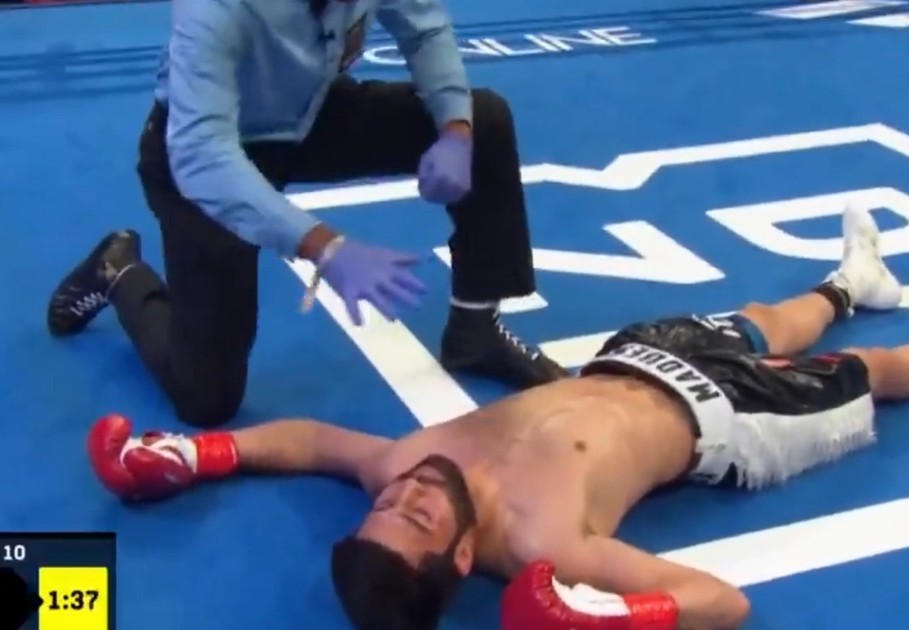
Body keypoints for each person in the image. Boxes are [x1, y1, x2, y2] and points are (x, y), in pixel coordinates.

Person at [87, 207, 909, 630]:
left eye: (387, 505)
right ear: (459, 559)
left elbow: (311, 444)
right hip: (731, 424)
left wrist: (199, 452)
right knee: (874, 373)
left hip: (633, 358)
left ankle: (849, 281)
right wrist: (618, 618)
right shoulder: (546, 541)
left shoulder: (403, 473)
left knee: (764, 317)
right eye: (418, 517)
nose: (406, 492)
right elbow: (722, 602)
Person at [45, 0, 566, 428]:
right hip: (204, 155)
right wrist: (326, 246)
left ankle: (475, 330)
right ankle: (118, 270)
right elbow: (201, 152)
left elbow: (424, 28)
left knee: (484, 120)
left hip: (306, 115)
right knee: (206, 398)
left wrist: (455, 130)